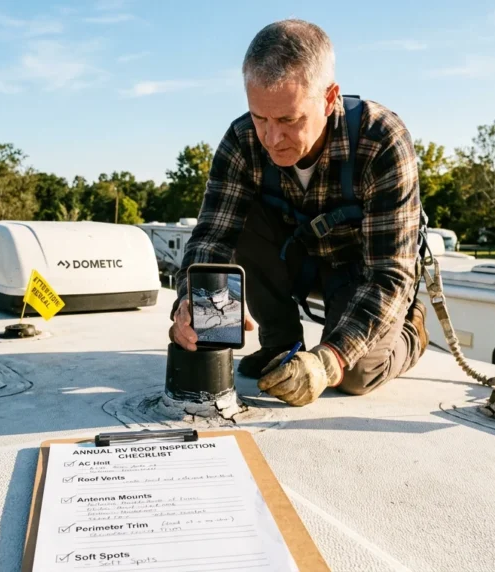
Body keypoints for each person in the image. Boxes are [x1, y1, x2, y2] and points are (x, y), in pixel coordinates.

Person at [168, 19, 429, 407]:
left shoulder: (380, 141)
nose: (272, 139)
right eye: (260, 117)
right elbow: (212, 237)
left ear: (329, 98)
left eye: (288, 120)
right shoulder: (241, 140)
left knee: (355, 374)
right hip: (296, 262)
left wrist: (329, 360)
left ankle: (412, 331)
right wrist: (190, 306)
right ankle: (280, 342)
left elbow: (390, 273)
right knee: (239, 218)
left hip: (361, 274)